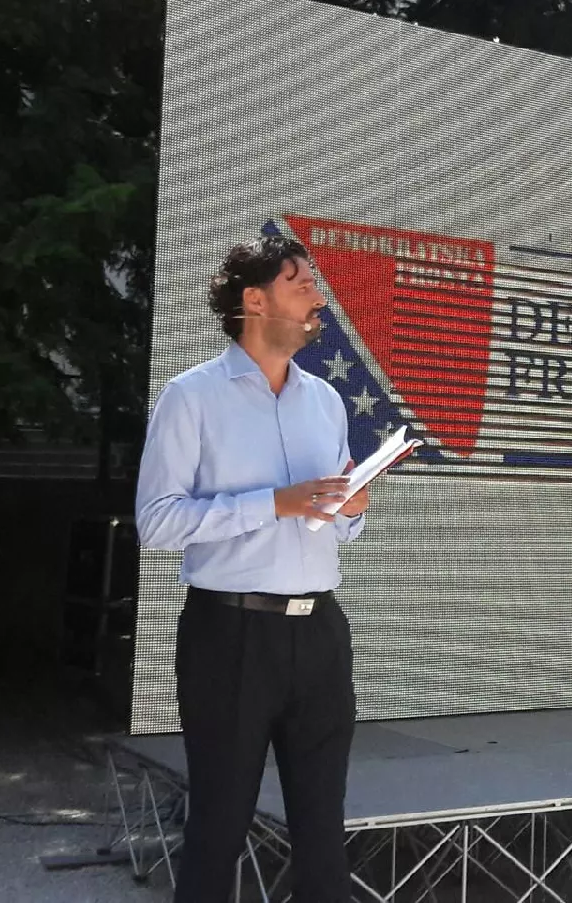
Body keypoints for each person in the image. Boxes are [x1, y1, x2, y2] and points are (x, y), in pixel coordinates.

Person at [135, 234, 368, 903]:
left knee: (323, 831)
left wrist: (352, 507)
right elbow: (157, 521)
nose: (319, 297)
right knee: (219, 826)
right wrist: (274, 503)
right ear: (255, 300)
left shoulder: (325, 400)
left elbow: (337, 521)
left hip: (320, 633)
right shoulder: (191, 397)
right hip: (230, 635)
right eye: (302, 284)